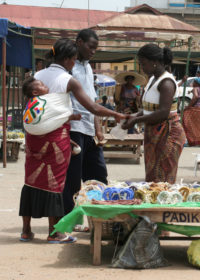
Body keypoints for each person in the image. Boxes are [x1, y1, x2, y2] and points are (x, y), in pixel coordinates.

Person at [19, 38, 125, 243]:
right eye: (73, 59)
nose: (74, 63)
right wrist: (116, 115)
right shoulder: (68, 79)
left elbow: (36, 110)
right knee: (56, 184)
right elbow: (93, 108)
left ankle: (26, 230)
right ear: (68, 59)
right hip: (56, 138)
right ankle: (55, 233)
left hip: (34, 138)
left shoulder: (37, 75)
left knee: (31, 182)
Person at [62, 29, 121, 221]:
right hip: (74, 129)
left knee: (98, 175)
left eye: (96, 48)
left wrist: (98, 129)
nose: (93, 51)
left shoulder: (88, 67)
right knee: (73, 179)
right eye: (91, 47)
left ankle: (97, 218)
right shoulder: (69, 68)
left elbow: (93, 101)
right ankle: (71, 219)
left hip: (89, 129)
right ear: (79, 42)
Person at [122, 43, 186, 184]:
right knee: (153, 178)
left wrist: (135, 121)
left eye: (143, 64)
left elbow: (163, 112)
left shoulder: (166, 82)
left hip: (168, 134)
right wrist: (133, 116)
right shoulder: (152, 79)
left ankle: (165, 207)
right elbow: (148, 109)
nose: (142, 68)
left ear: (155, 62)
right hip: (155, 133)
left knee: (163, 179)